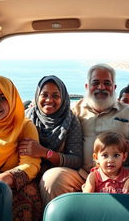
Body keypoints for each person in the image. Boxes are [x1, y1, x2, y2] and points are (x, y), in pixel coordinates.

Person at [39, 64, 129, 204]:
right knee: (53, 179)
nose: (101, 87)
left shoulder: (128, 111)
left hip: (121, 176)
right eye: (96, 83)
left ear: (114, 88)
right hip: (82, 174)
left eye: (107, 83)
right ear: (87, 86)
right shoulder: (74, 110)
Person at [0, 75, 42, 221]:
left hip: (12, 183)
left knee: (26, 199)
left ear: (11, 99)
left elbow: (30, 165)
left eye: (2, 98)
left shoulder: (24, 126)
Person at [21, 75, 83, 207]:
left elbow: (76, 160)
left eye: (55, 96)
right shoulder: (26, 116)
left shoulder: (71, 121)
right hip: (28, 168)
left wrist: (45, 153)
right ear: (37, 96)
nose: (49, 100)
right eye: (44, 95)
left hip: (54, 175)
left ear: (63, 98)